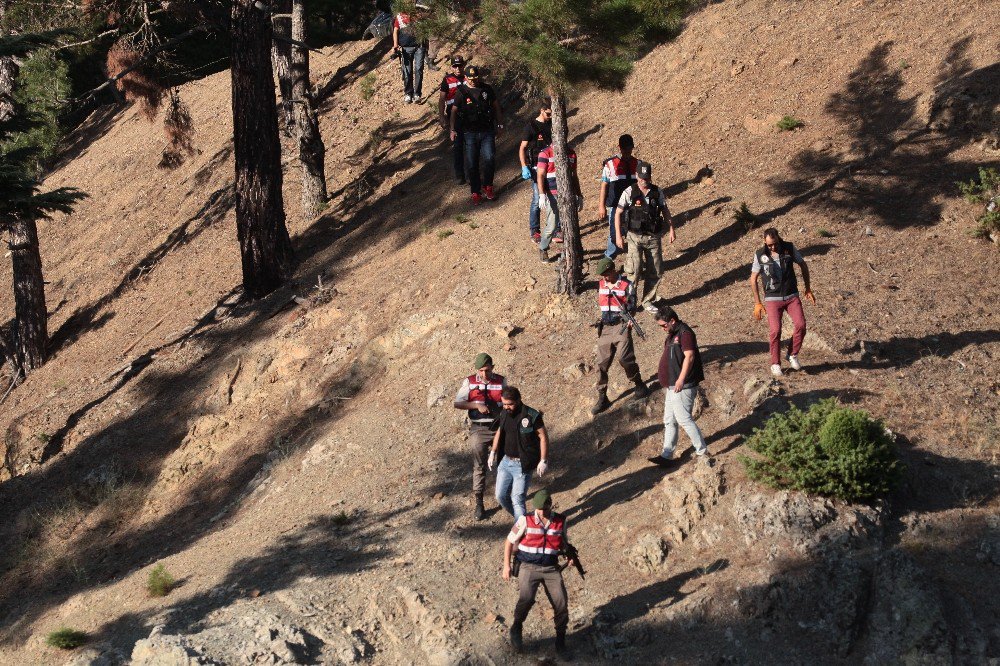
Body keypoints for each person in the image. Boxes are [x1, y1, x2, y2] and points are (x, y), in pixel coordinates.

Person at [502, 488, 573, 656]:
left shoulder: (561, 521)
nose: (541, 512)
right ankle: (517, 626)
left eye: (544, 508)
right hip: (528, 566)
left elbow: (563, 542)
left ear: (550, 505)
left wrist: (569, 555)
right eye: (538, 509)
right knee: (526, 599)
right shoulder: (525, 520)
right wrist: (506, 566)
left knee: (561, 603)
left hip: (550, 569)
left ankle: (560, 641)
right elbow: (509, 541)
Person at [646, 303, 708, 467]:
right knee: (669, 420)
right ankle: (667, 456)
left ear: (672, 321)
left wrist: (681, 379)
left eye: (664, 325)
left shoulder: (685, 333)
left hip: (683, 385)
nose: (663, 329)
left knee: (684, 419)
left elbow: (690, 357)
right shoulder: (672, 334)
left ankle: (702, 451)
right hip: (672, 386)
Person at [749, 227, 816, 376]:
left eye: (775, 243)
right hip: (772, 298)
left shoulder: (789, 248)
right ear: (765, 243)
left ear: (779, 238)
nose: (773, 247)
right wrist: (757, 302)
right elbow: (753, 279)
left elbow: (803, 265)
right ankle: (775, 363)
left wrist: (808, 288)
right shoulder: (760, 255)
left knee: (801, 324)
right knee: (775, 330)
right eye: (769, 245)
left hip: (791, 295)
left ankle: (792, 354)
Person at [591, 257, 650, 415]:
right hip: (605, 328)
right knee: (601, 365)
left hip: (621, 326)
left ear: (613, 270)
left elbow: (632, 304)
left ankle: (638, 383)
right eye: (602, 275)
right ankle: (602, 397)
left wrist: (630, 317)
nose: (604, 278)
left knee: (625, 358)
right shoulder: (602, 284)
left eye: (607, 274)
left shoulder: (627, 285)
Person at [614, 160, 675, 307]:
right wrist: (618, 235)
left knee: (655, 270)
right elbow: (618, 213)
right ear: (636, 175)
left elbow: (665, 211)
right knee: (634, 269)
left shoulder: (657, 192)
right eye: (641, 177)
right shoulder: (629, 192)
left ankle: (648, 300)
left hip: (653, 237)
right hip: (634, 237)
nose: (644, 180)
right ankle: (630, 301)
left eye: (646, 178)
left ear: (650, 177)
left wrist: (672, 228)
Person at [453, 353, 506, 520]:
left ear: (493, 367)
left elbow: (508, 401)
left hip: (499, 427)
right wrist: (476, 404)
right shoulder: (469, 382)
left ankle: (505, 495)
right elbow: (458, 403)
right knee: (479, 466)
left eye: (487, 370)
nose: (484, 374)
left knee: (505, 462)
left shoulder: (501, 381)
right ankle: (479, 503)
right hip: (479, 428)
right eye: (481, 370)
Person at [489, 387, 548, 522]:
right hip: (505, 462)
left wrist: (543, 460)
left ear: (519, 400)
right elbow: (499, 431)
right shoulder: (504, 413)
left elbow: (543, 437)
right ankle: (523, 520)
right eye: (504, 404)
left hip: (522, 465)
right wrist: (493, 452)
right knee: (500, 496)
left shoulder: (531, 415)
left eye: (510, 404)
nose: (507, 407)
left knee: (517, 499)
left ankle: (522, 529)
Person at [450, 65, 503, 205]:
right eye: (471, 79)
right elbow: (454, 111)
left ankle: (488, 186)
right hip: (470, 133)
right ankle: (475, 191)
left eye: (476, 78)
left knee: (490, 158)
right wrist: (452, 129)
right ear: (466, 78)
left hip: (487, 131)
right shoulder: (461, 92)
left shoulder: (487, 89)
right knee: (472, 163)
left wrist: (500, 124)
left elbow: (496, 106)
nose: (474, 81)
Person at [535, 133, 582, 262]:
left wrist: (579, 194)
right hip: (552, 194)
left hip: (568, 194)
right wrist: (541, 194)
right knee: (552, 225)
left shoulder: (571, 153)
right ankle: (543, 248)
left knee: (569, 224)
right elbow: (540, 175)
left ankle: (570, 251)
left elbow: (574, 176)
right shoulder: (545, 154)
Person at [599, 134, 639, 259]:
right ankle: (608, 261)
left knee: (634, 234)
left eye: (630, 148)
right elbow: (604, 185)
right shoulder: (610, 164)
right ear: (619, 147)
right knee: (614, 236)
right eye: (625, 149)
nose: (627, 151)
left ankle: (635, 261)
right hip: (615, 206)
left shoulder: (637, 164)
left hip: (633, 206)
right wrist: (601, 206)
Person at [519, 100, 552, 243]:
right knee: (538, 198)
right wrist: (524, 166)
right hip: (536, 166)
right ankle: (534, 230)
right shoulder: (531, 127)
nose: (551, 116)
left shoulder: (552, 124)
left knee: (554, 198)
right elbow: (522, 148)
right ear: (542, 110)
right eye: (548, 113)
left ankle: (555, 228)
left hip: (551, 165)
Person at [391, 3, 430, 103]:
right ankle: (408, 93)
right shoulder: (399, 16)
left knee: (418, 69)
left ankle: (417, 94)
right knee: (407, 72)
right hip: (405, 48)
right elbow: (395, 31)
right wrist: (395, 45)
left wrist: (426, 45)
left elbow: (426, 29)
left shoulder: (419, 13)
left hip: (419, 47)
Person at [438, 55, 466, 184]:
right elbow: (442, 99)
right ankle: (460, 173)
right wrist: (442, 117)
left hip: (470, 114)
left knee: (472, 144)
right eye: (455, 66)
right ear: (451, 67)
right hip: (454, 117)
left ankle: (473, 172)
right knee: (458, 145)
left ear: (464, 65)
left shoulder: (469, 77)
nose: (458, 68)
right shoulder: (447, 80)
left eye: (460, 65)